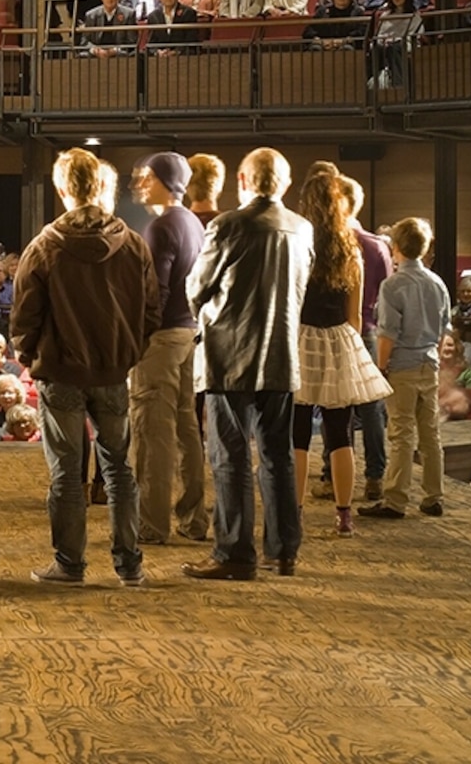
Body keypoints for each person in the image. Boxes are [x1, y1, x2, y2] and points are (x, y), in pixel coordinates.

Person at [10, 147, 152, 586]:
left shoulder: (44, 247)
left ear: (61, 189)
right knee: (120, 469)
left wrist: (28, 355)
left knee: (67, 473)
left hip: (61, 371)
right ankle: (129, 564)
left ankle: (70, 564)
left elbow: (24, 315)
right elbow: (152, 310)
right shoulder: (132, 244)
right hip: (112, 370)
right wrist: (129, 352)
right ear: (100, 186)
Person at [187, 148, 313, 581]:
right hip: (281, 355)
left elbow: (196, 288)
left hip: (229, 355)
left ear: (242, 180)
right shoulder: (302, 229)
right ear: (286, 183)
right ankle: (282, 552)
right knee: (279, 456)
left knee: (230, 456)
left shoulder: (228, 225)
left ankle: (234, 554)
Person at [289, 162, 394, 538]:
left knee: (297, 435)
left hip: (300, 339)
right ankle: (344, 516)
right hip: (338, 339)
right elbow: (355, 315)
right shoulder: (352, 251)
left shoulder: (298, 246)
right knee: (341, 434)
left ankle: (295, 512)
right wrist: (345, 352)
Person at [126, 152, 213, 550]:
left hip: (159, 339)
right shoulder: (192, 222)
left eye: (148, 177)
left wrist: (136, 338)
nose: (141, 184)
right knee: (186, 428)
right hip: (187, 333)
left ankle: (151, 523)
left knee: (152, 432)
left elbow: (153, 294)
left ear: (166, 180)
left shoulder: (161, 227)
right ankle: (194, 518)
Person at [375, 215, 449, 519]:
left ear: (395, 247)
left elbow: (388, 333)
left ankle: (395, 499)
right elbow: (445, 328)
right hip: (429, 362)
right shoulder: (437, 282)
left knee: (401, 433)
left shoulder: (393, 285)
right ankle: (434, 495)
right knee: (430, 433)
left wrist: (381, 368)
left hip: (402, 366)